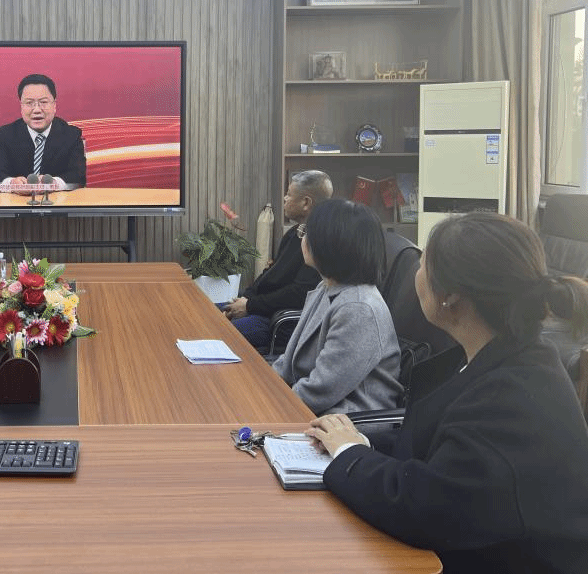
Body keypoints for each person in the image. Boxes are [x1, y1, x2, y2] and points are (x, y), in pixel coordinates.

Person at [307, 212, 588, 573]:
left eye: (424, 263)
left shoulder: (512, 398)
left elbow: (426, 508)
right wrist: (359, 440)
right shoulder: (500, 357)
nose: (416, 273)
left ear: (452, 296)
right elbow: (438, 446)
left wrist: (350, 453)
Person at [271, 198, 402, 414]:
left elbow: (321, 390)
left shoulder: (358, 308)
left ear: (330, 244)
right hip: (313, 407)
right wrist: (265, 384)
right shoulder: (328, 286)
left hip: (344, 419)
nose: (303, 239)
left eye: (307, 233)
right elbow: (290, 361)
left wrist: (269, 404)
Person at [223, 170, 332, 349]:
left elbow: (298, 294)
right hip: (261, 307)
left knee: (216, 330)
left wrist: (250, 306)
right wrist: (245, 299)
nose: (284, 199)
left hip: (276, 321)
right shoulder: (294, 233)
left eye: (289, 194)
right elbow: (270, 274)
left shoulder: (321, 241)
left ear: (306, 202)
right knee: (207, 310)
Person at [0, 73, 87, 192]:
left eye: (43, 102)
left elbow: (78, 177)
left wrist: (54, 183)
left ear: (54, 105)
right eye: (29, 103)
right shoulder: (5, 135)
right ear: (21, 106)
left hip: (57, 202)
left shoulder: (71, 135)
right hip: (16, 202)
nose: (37, 110)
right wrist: (12, 184)